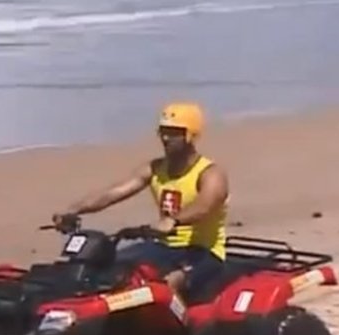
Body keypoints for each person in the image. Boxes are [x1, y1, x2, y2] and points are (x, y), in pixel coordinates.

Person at [52, 102, 229, 301]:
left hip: (204, 252)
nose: (165, 138)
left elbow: (205, 205)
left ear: (189, 135)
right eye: (162, 132)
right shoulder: (155, 168)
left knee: (169, 284)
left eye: (173, 132)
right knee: (111, 269)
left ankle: (177, 329)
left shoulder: (210, 173)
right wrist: (74, 210)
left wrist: (174, 220)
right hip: (162, 247)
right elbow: (114, 192)